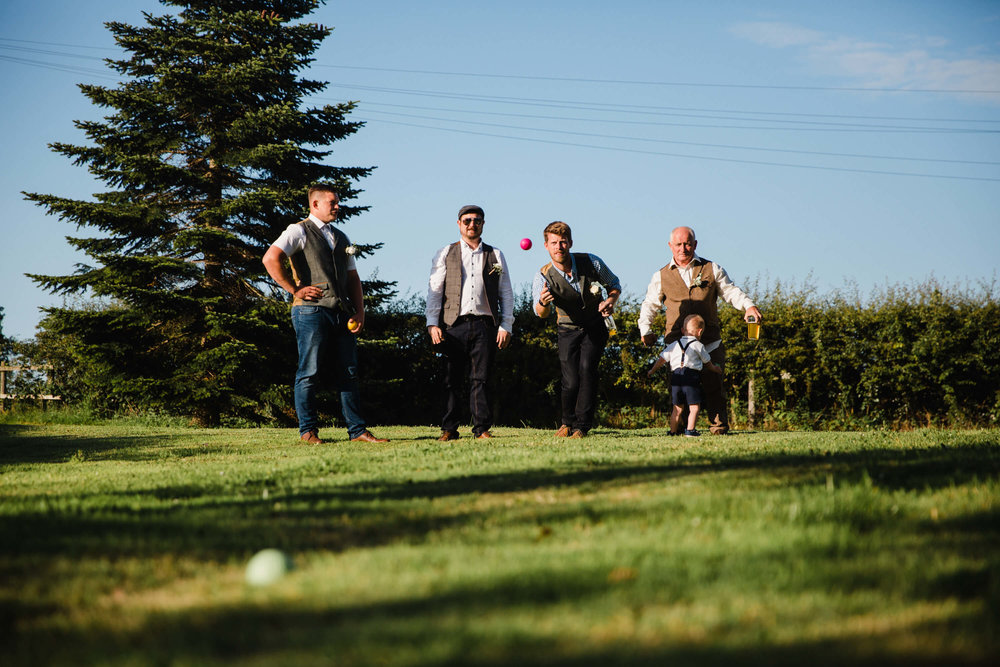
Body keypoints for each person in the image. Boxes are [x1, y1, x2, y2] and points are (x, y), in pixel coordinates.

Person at [262, 184, 388, 444]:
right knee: (310, 371)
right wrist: (294, 289)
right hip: (310, 312)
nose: (337, 206)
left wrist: (361, 311)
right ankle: (308, 432)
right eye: (332, 202)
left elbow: (353, 278)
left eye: (337, 202)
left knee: (349, 372)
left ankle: (357, 431)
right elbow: (270, 258)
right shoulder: (298, 230)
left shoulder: (341, 236)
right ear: (315, 205)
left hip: (342, 313)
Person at [639, 226, 762, 435]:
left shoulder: (711, 268)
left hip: (710, 340)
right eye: (678, 244)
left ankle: (718, 427)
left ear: (695, 245)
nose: (683, 248)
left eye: (687, 243)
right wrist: (645, 329)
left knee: (714, 384)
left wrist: (748, 306)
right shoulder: (660, 275)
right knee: (680, 388)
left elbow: (730, 291)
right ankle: (679, 429)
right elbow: (650, 304)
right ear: (670, 246)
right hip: (677, 345)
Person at [426, 204, 514, 441]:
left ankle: (481, 429)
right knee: (450, 379)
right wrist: (432, 324)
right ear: (459, 224)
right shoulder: (446, 252)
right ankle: (448, 429)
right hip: (453, 325)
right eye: (467, 221)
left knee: (481, 379)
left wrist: (506, 325)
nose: (472, 224)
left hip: (486, 325)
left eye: (477, 220)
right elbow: (435, 291)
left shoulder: (495, 255)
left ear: (483, 224)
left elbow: (505, 292)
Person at [533, 221, 621, 438]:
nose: (559, 246)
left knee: (587, 369)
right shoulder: (542, 276)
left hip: (595, 326)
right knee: (570, 379)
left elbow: (614, 284)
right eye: (554, 242)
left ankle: (582, 426)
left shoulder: (591, 261)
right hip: (567, 329)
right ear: (546, 246)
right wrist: (544, 303)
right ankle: (566, 423)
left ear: (570, 242)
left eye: (563, 242)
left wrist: (610, 300)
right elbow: (540, 313)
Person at [647, 314, 723, 437]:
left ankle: (672, 431)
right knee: (694, 407)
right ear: (700, 331)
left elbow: (661, 359)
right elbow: (707, 363)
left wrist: (652, 371)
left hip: (676, 376)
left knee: (677, 408)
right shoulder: (698, 345)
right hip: (691, 376)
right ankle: (690, 430)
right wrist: (716, 369)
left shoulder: (674, 344)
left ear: (683, 330)